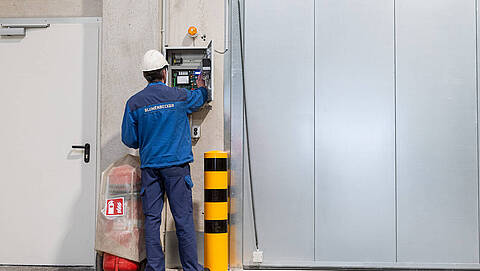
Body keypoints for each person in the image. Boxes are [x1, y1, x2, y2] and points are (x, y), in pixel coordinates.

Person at [121, 49, 208, 271]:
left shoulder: (134, 103)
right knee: (183, 220)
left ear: (145, 75)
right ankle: (190, 268)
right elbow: (199, 98)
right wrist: (202, 85)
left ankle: (155, 268)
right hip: (177, 168)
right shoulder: (179, 96)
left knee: (152, 220)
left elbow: (129, 139)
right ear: (164, 72)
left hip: (150, 169)